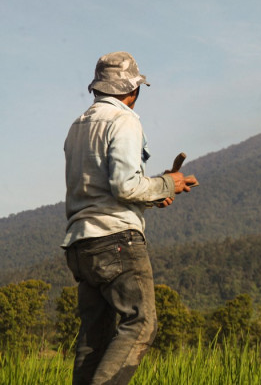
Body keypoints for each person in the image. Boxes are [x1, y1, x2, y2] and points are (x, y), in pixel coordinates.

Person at [62, 51, 197, 384]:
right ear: (133, 90)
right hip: (117, 242)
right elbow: (124, 186)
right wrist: (170, 182)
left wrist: (156, 191)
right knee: (141, 323)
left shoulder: (77, 127)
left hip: (81, 245)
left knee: (94, 341)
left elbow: (103, 189)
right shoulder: (124, 120)